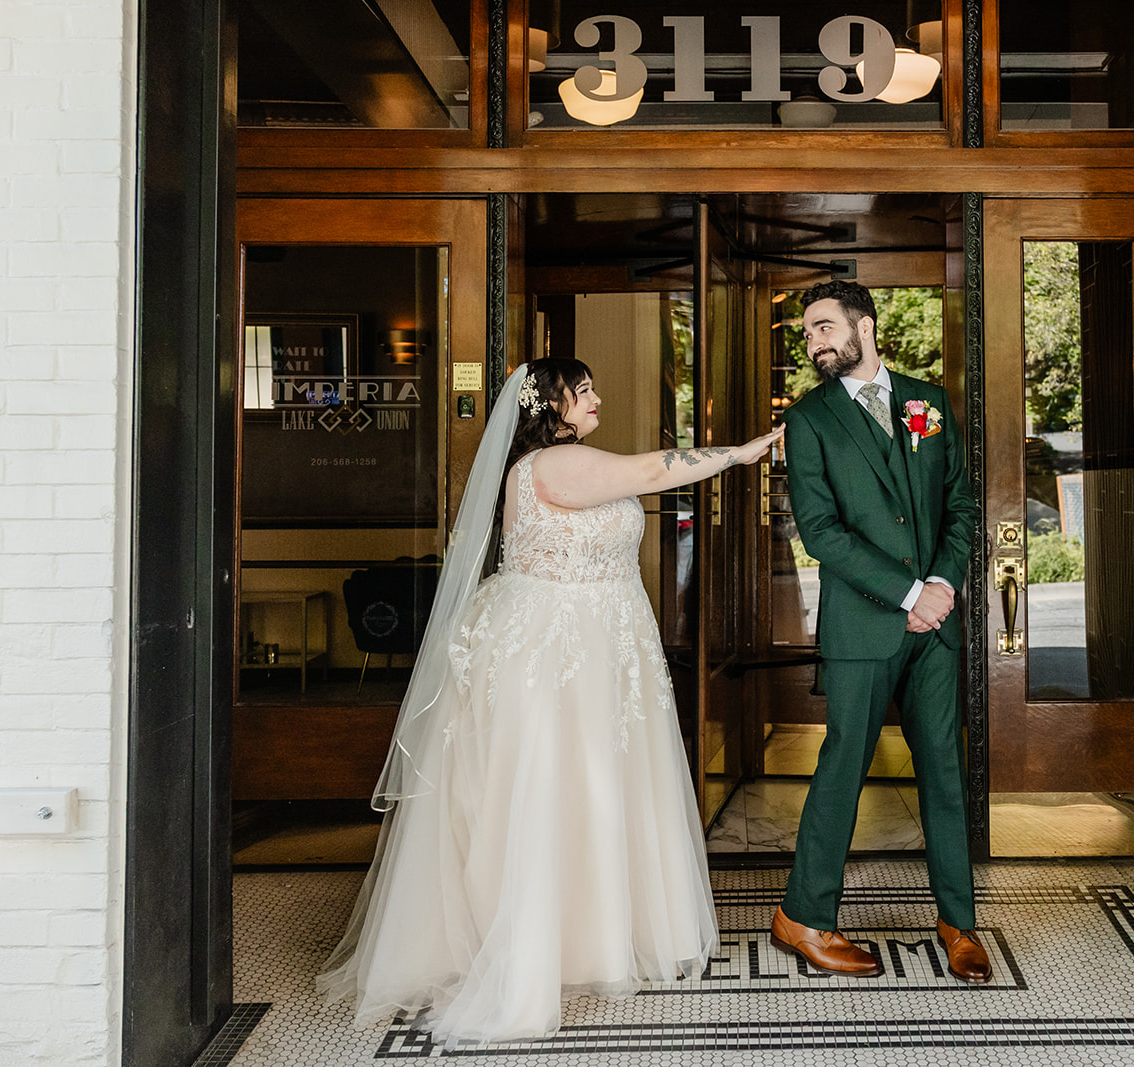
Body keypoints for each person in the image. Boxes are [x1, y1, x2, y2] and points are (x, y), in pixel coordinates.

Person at [319, 358, 784, 1045]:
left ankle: (587, 939)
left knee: (586, 792)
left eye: (595, 385)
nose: (597, 397)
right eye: (584, 389)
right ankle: (540, 948)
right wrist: (742, 452)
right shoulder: (550, 466)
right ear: (551, 405)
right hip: (559, 653)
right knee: (561, 791)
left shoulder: (554, 465)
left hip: (592, 644)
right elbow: (656, 471)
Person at [770, 281, 991, 983]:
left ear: (866, 325)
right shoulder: (809, 420)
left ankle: (959, 922)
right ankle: (802, 915)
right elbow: (821, 532)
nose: (815, 341)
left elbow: (959, 500)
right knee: (842, 768)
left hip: (936, 623)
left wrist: (944, 586)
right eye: (807, 333)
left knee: (944, 773)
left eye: (825, 326)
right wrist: (906, 593)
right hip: (865, 623)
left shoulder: (927, 400)